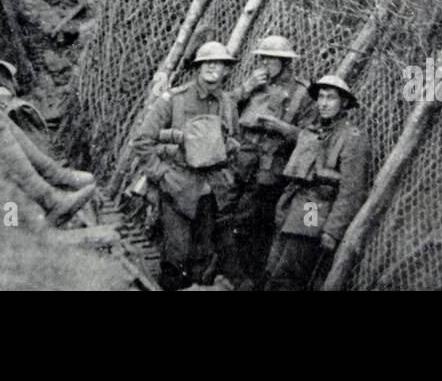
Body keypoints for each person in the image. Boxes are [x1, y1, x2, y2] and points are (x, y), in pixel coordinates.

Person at [132, 40, 242, 290]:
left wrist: (226, 171)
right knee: (176, 257)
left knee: (202, 258)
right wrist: (162, 175)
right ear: (198, 67)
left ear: (226, 69)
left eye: (220, 63)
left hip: (211, 193)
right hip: (178, 188)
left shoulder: (228, 104)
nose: (213, 67)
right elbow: (142, 141)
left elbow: (235, 143)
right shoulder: (174, 100)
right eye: (208, 62)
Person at [265, 74, 372, 290]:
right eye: (321, 97)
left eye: (330, 98)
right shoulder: (312, 130)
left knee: (289, 273)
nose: (323, 103)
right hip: (291, 206)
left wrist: (332, 230)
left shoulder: (352, 138)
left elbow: (352, 190)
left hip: (313, 208)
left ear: (344, 103)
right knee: (273, 268)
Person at [229, 35, 309, 288]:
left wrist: (283, 128)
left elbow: (310, 137)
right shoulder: (253, 85)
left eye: (271, 58)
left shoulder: (301, 93)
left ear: (285, 62)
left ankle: (250, 280)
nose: (265, 63)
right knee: (230, 222)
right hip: (240, 166)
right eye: (263, 57)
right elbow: (223, 110)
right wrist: (246, 88)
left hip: (270, 174)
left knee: (258, 228)